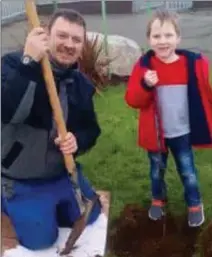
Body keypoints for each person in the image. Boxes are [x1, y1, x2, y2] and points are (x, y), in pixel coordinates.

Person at [2, 9, 102, 250]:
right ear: (46, 34)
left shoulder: (80, 85)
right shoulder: (13, 65)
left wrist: (77, 140)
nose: (69, 44)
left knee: (93, 213)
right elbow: (8, 113)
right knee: (41, 241)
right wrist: (29, 65)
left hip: (61, 173)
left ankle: (50, 204)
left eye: (76, 39)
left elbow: (92, 130)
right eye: (62, 36)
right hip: (22, 177)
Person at [125, 9, 212, 227]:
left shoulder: (192, 64)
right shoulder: (144, 67)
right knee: (156, 171)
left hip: (182, 132)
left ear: (178, 38)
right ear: (148, 39)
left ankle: (194, 203)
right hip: (155, 135)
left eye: (168, 35)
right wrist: (145, 85)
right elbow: (132, 100)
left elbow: (205, 92)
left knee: (188, 171)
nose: (162, 41)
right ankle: (158, 199)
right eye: (156, 36)